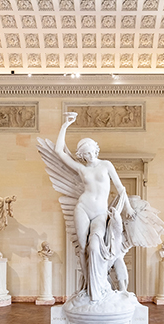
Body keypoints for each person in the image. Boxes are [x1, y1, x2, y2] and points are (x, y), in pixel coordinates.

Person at [53, 112, 135, 301]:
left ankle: (100, 283)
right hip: (83, 208)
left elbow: (121, 187)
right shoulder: (82, 169)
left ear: (96, 150)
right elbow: (58, 152)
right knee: (82, 248)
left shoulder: (106, 165)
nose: (89, 156)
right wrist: (65, 125)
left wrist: (128, 208)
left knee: (94, 246)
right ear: (81, 155)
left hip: (100, 213)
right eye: (85, 153)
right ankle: (88, 288)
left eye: (91, 152)